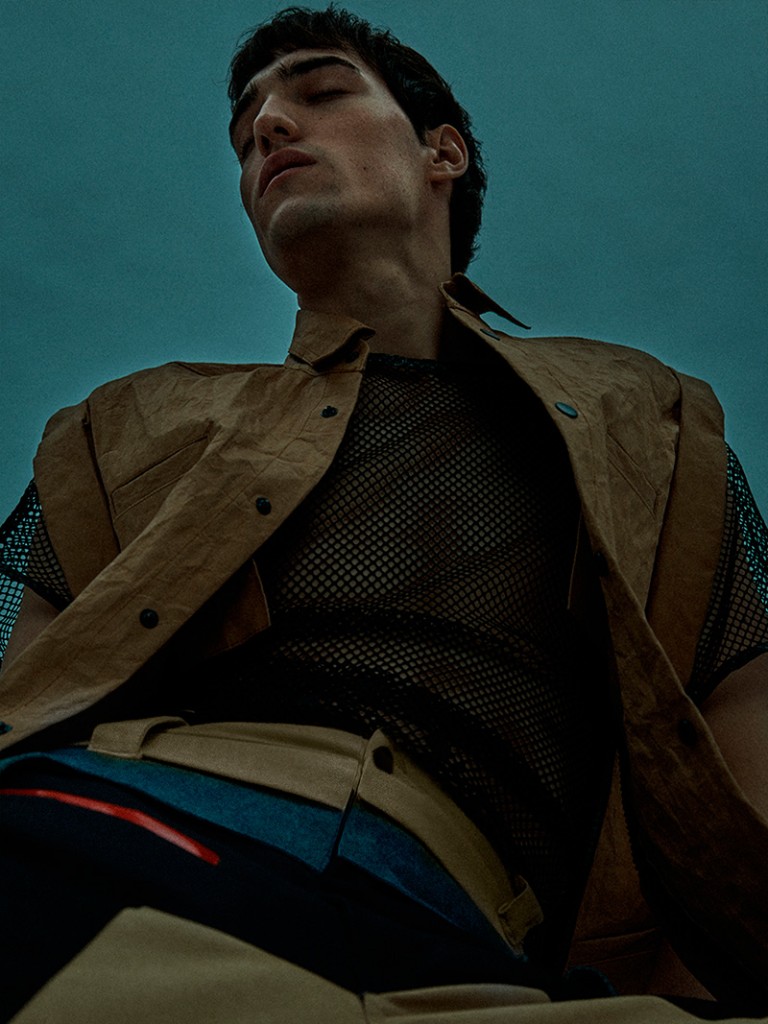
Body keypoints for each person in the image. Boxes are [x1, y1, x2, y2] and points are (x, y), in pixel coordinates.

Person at [0, 5, 766, 1021]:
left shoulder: (648, 418)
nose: (269, 126)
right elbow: (29, 698)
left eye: (320, 91)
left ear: (442, 152)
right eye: (245, 133)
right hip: (129, 823)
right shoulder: (123, 428)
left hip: (458, 928)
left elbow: (740, 717)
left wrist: (710, 990)